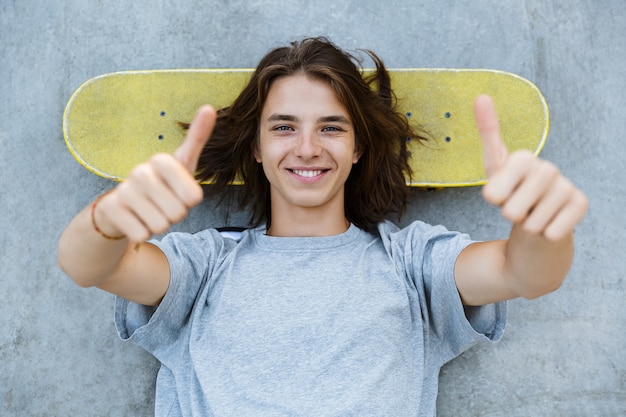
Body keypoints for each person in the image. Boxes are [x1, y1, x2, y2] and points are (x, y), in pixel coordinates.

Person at [58, 37, 588, 416]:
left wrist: (542, 224)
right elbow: (87, 265)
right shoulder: (202, 267)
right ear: (258, 150)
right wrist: (107, 221)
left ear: (357, 148)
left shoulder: (412, 262)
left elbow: (523, 272)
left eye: (330, 128)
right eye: (284, 127)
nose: (307, 147)